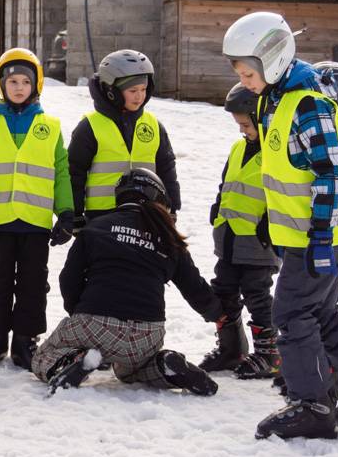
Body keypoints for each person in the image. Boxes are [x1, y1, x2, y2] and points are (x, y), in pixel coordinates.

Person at [222, 11, 338, 439]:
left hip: (319, 235)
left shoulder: (306, 102)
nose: (245, 81)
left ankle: (313, 405)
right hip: (304, 233)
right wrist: (275, 219)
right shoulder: (278, 97)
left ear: (271, 61)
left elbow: (330, 172)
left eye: (248, 72)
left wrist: (321, 235)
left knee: (290, 313)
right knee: (319, 311)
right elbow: (290, 171)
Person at [31, 168, 222, 397]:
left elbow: (68, 278)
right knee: (130, 372)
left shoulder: (95, 228)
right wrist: (218, 314)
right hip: (147, 334)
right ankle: (166, 366)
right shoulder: (168, 237)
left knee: (43, 356)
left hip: (93, 323)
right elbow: (194, 287)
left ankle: (75, 360)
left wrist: (80, 312)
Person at [0, 48, 74, 370]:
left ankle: (26, 340)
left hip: (35, 222)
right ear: (1, 84)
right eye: (12, 81)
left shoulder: (49, 127)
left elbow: (61, 171)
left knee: (33, 283)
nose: (19, 87)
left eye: (26, 81)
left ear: (36, 84)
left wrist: (65, 212)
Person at [200, 83, 281, 379]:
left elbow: (285, 193)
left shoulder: (277, 152)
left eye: (246, 124)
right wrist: (218, 205)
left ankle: (269, 354)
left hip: (259, 241)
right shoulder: (237, 149)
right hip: (230, 238)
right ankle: (231, 349)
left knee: (257, 294)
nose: (241, 130)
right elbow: (228, 183)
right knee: (224, 292)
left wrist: (272, 222)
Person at [68, 49, 181, 230]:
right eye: (133, 90)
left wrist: (172, 206)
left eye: (144, 89)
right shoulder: (90, 127)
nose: (140, 96)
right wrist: (75, 214)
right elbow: (74, 173)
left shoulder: (153, 125)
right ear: (111, 90)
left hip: (147, 215)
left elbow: (166, 167)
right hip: (102, 216)